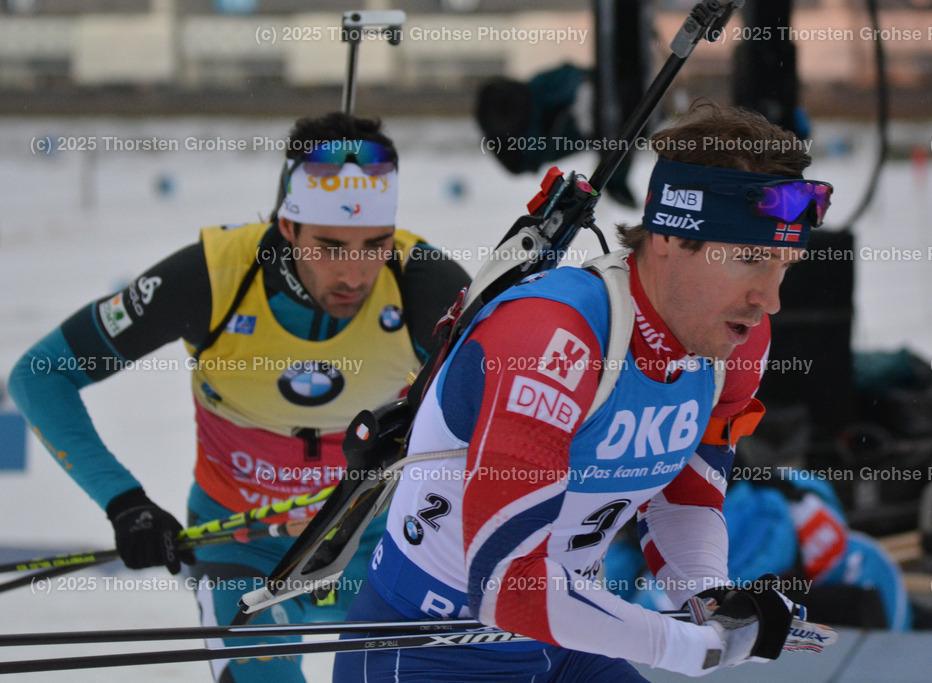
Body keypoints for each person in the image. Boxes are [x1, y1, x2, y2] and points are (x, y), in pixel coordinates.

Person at [333, 99, 834, 681]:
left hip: (567, 639)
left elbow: (687, 495)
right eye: (749, 260)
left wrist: (708, 602)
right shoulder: (553, 339)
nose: (768, 299)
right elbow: (507, 585)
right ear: (669, 237)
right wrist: (686, 646)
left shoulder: (735, 339)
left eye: (784, 266)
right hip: (434, 650)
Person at [7, 112, 470, 683]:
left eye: (374, 244)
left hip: (379, 537)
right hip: (244, 544)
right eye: (329, 247)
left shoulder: (425, 283)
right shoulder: (212, 277)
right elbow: (40, 375)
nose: (355, 274)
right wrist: (124, 502)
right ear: (288, 228)